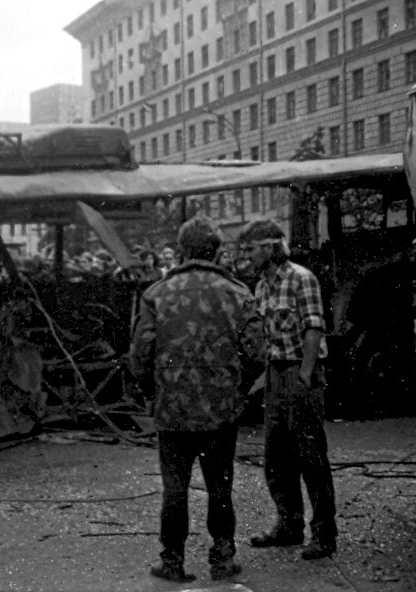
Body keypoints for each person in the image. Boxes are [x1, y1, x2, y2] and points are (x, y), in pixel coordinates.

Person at [129, 215, 264, 582]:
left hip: (172, 407)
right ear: (217, 250)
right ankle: (222, 557)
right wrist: (237, 388)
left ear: (182, 249)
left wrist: (151, 393)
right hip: (221, 409)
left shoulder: (157, 293)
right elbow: (256, 353)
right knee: (220, 485)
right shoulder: (238, 292)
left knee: (175, 488)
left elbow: (139, 355)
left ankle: (172, 561)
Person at [238, 219, 337, 560]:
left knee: (310, 455)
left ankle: (324, 533)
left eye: (251, 249)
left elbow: (314, 328)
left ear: (269, 247)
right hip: (276, 372)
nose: (247, 256)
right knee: (276, 456)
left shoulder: (300, 278)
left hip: (299, 368)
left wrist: (306, 374)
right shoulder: (262, 286)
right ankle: (289, 525)